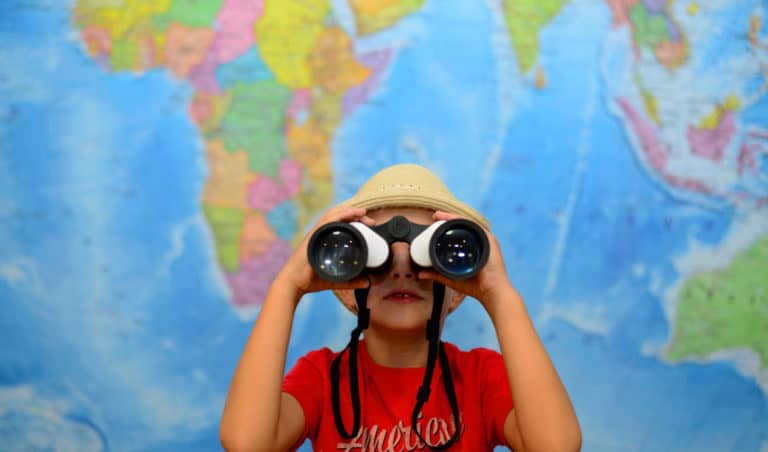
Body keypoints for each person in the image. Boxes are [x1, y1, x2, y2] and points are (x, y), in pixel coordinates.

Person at [220, 164, 582, 451]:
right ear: (348, 287)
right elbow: (246, 443)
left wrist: (500, 295)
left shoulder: (481, 377)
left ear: (457, 289)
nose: (401, 268)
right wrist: (287, 287)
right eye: (377, 256)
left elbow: (556, 446)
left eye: (427, 253)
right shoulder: (323, 376)